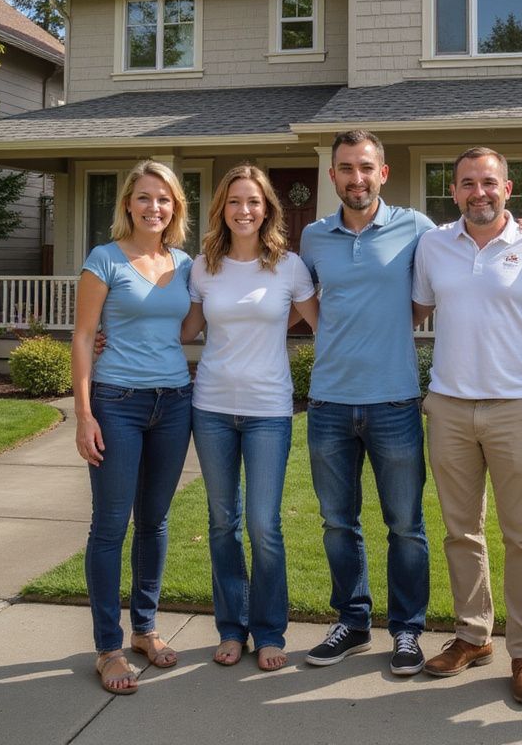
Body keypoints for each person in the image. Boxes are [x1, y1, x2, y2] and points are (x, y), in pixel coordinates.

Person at [412, 147, 522, 704]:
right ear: (453, 191)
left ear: (509, 188)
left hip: (516, 409)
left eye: (489, 182)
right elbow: (413, 312)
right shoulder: (433, 245)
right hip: (450, 408)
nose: (478, 192)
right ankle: (472, 635)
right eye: (467, 184)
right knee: (461, 531)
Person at [298, 130, 435, 675]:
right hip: (329, 402)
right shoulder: (312, 237)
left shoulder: (417, 229)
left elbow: (427, 296)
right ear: (332, 176)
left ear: (384, 173)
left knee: (405, 524)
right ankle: (352, 623)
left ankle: (406, 630)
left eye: (366, 167)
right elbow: (290, 296)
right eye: (346, 168)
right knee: (338, 523)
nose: (357, 178)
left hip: (394, 402)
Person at [187, 164, 318, 672]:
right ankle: (230, 628)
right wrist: (114, 333)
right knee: (223, 524)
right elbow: (186, 329)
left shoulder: (289, 267)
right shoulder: (203, 267)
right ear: (222, 207)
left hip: (268, 411)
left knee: (264, 525)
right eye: (235, 201)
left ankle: (268, 631)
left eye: (254, 202)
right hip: (212, 408)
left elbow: (321, 326)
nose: (245, 210)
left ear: (268, 209)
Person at [72, 159, 194, 696]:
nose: (154, 208)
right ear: (128, 203)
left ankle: (145, 629)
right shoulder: (104, 259)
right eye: (144, 198)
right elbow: (82, 336)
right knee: (110, 525)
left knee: (155, 522)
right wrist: (83, 413)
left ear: (176, 208)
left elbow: (189, 326)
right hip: (117, 403)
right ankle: (108, 647)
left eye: (164, 199)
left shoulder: (185, 263)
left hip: (174, 403)